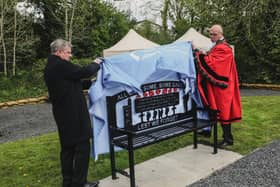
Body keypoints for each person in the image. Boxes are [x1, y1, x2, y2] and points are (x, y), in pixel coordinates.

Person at [44, 39, 101, 187]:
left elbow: (74, 82)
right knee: (82, 146)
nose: (70, 55)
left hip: (63, 115)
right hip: (73, 115)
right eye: (68, 52)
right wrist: (96, 63)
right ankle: (80, 183)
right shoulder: (59, 64)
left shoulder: (52, 66)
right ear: (59, 51)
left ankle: (68, 183)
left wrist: (93, 81)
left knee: (68, 149)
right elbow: (83, 72)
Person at [193, 24, 242, 146]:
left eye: (214, 34)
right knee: (215, 110)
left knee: (224, 111)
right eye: (210, 34)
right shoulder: (218, 46)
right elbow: (211, 59)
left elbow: (213, 64)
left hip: (223, 87)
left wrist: (198, 53)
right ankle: (209, 131)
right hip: (220, 86)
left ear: (221, 34)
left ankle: (228, 139)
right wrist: (203, 53)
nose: (212, 36)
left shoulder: (223, 48)